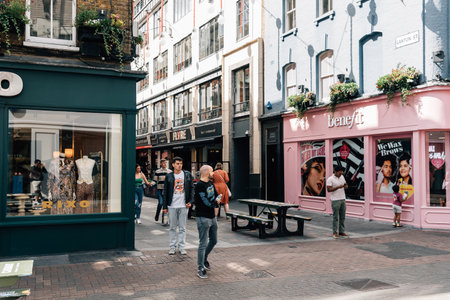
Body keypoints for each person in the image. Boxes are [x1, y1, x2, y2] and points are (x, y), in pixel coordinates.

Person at [163, 156, 194, 255]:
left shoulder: (187, 175)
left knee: (182, 227)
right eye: (177, 163)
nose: (179, 165)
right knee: (172, 227)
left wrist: (191, 201)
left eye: (181, 163)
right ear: (173, 165)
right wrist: (164, 207)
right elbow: (166, 191)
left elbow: (192, 189)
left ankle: (181, 247)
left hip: (183, 205)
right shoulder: (169, 176)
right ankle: (172, 247)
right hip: (172, 205)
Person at [194, 165, 221, 279]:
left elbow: (214, 195)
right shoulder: (199, 185)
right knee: (203, 243)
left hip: (212, 217)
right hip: (203, 217)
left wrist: (218, 198)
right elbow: (204, 201)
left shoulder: (211, 183)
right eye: (211, 171)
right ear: (206, 172)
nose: (213, 173)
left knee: (214, 240)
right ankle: (200, 267)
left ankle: (204, 258)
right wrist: (215, 203)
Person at [326, 166, 349, 239]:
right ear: (335, 171)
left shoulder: (342, 177)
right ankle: (334, 232)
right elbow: (329, 190)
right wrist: (338, 187)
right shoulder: (330, 179)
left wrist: (345, 186)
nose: (341, 174)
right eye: (340, 172)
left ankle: (341, 231)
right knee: (336, 217)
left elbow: (345, 185)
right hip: (335, 200)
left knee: (342, 216)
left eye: (342, 172)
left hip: (343, 198)